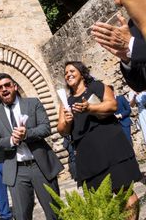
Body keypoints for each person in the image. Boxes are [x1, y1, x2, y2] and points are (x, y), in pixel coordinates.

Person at [56, 61, 140, 219]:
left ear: (81, 73)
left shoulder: (97, 87)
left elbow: (112, 105)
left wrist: (90, 108)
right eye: (66, 73)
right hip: (88, 154)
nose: (68, 74)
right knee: (100, 200)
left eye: (72, 70)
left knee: (124, 192)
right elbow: (61, 129)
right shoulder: (66, 102)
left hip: (110, 146)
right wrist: (67, 121)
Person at [0, 73, 62, 220]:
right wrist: (11, 140)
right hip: (16, 170)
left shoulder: (33, 103)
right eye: (0, 87)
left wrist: (26, 134)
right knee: (21, 215)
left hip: (40, 165)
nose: (4, 89)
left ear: (14, 86)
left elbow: (45, 128)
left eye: (7, 85)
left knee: (55, 212)